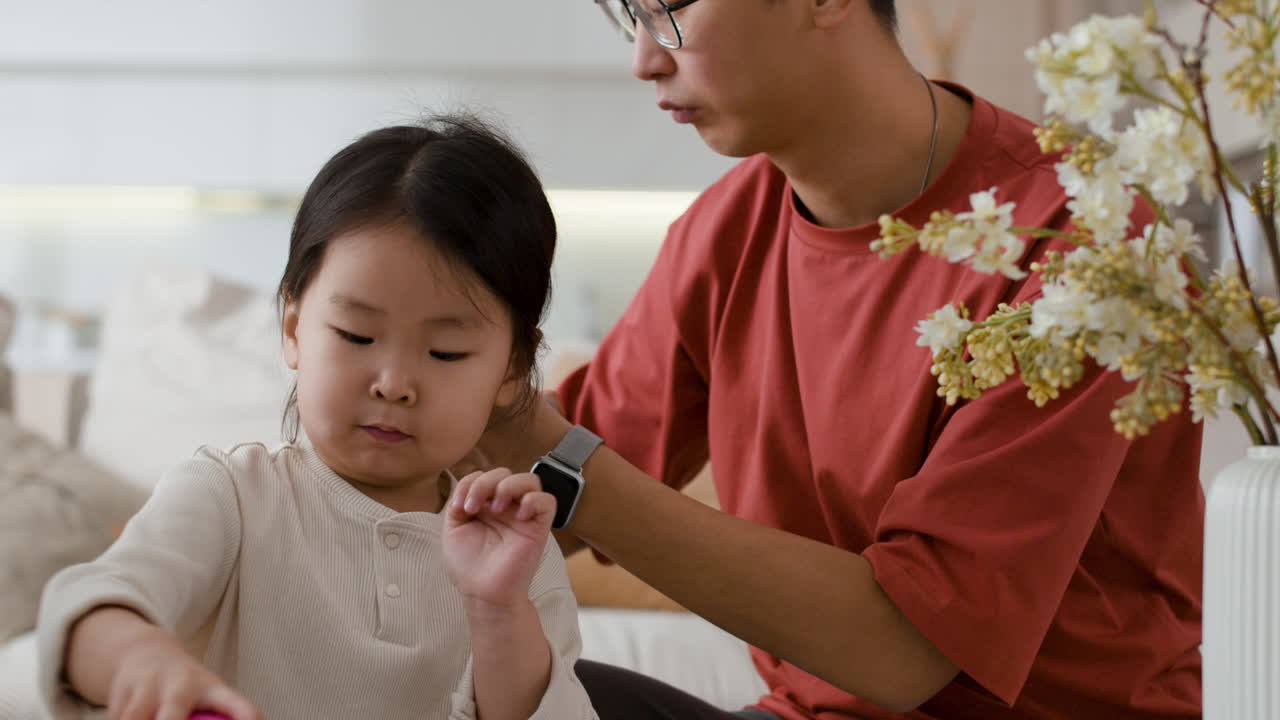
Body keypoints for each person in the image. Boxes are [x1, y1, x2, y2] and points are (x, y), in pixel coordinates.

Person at [474, 1, 1204, 719]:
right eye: (627, 15)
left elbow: (906, 650)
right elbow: (555, 467)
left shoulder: (1082, 249)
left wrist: (562, 468)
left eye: (669, 8)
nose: (643, 59)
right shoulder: (726, 231)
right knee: (513, 692)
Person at [35, 116, 598, 720]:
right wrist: (142, 658)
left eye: (445, 353)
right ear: (295, 329)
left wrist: (496, 608)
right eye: (357, 335)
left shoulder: (519, 553)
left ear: (512, 371)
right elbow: (93, 603)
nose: (394, 384)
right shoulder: (232, 496)